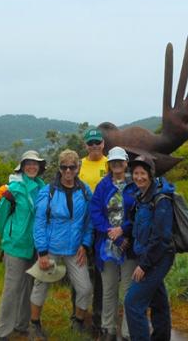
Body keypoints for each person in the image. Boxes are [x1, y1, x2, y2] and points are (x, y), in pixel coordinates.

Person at [29, 150, 93, 340]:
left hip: (75, 249)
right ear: (59, 168)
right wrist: (42, 253)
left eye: (72, 167)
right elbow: (39, 222)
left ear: (77, 168)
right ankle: (34, 325)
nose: (67, 171)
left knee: (85, 288)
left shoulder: (84, 190)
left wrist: (85, 244)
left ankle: (78, 322)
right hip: (51, 249)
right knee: (40, 286)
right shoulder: (48, 192)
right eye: (64, 167)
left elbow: (89, 221)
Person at [0, 150, 47, 341]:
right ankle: (2, 332)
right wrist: (9, 235)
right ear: (22, 167)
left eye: (35, 163)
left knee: (28, 286)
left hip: (34, 246)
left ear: (40, 167)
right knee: (12, 288)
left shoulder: (42, 188)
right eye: (28, 163)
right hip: (15, 246)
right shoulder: (14, 188)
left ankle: (22, 324)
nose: (32, 166)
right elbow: (1, 216)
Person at [124, 155, 175, 341]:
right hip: (148, 256)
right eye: (135, 173)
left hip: (157, 258)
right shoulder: (142, 197)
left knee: (133, 303)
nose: (138, 177)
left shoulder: (160, 199)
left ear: (151, 174)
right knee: (158, 301)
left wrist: (144, 265)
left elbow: (161, 238)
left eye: (142, 173)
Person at [90, 146, 138, 341]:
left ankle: (127, 332)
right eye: (113, 162)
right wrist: (112, 234)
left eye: (120, 161)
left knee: (128, 290)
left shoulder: (134, 184)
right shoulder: (103, 186)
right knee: (109, 289)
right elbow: (94, 212)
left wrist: (123, 230)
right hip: (107, 246)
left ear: (126, 163)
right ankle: (108, 328)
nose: (117, 164)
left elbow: (138, 211)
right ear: (109, 164)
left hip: (129, 245)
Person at [78, 127, 108, 334]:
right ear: (85, 145)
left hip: (103, 227)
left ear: (103, 144)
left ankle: (99, 318)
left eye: (98, 142)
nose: (95, 146)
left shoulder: (111, 164)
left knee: (101, 272)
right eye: (91, 143)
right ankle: (77, 315)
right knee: (79, 269)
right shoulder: (78, 165)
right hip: (80, 225)